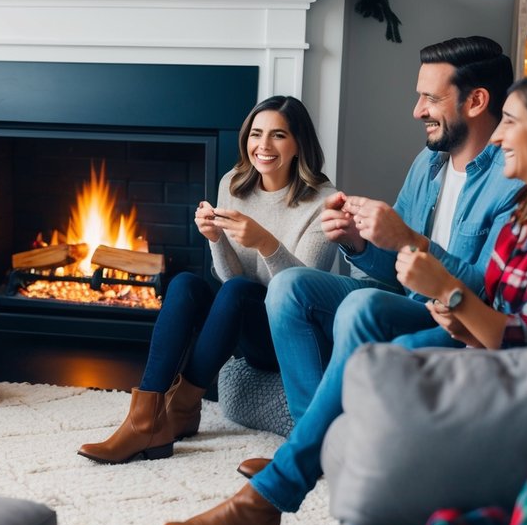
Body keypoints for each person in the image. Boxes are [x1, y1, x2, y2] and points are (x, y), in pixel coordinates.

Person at [161, 68, 527, 525]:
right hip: (450, 317)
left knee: (369, 330)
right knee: (314, 294)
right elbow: (416, 278)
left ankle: (273, 490)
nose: (498, 136)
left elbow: (522, 336)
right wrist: (360, 241)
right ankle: (296, 444)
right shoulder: (514, 214)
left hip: (495, 343)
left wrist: (443, 289)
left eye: (510, 122)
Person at [261, 36, 522, 432]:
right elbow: (391, 265)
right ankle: (313, 437)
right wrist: (358, 240)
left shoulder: (511, 180)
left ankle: (313, 447)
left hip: (454, 319)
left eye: (430, 98)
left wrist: (409, 241)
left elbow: (485, 294)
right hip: (406, 298)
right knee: (287, 287)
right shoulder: (428, 162)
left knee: (360, 305)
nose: (418, 111)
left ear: (476, 101)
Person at [78, 96, 338, 464]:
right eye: (256, 134)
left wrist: (266, 243)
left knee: (239, 291)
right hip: (245, 320)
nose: (263, 146)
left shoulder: (324, 203)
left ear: (299, 145)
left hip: (289, 337)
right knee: (185, 284)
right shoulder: (234, 183)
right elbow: (231, 276)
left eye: (278, 135)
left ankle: (182, 406)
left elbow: (301, 292)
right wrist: (215, 237)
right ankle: (145, 415)